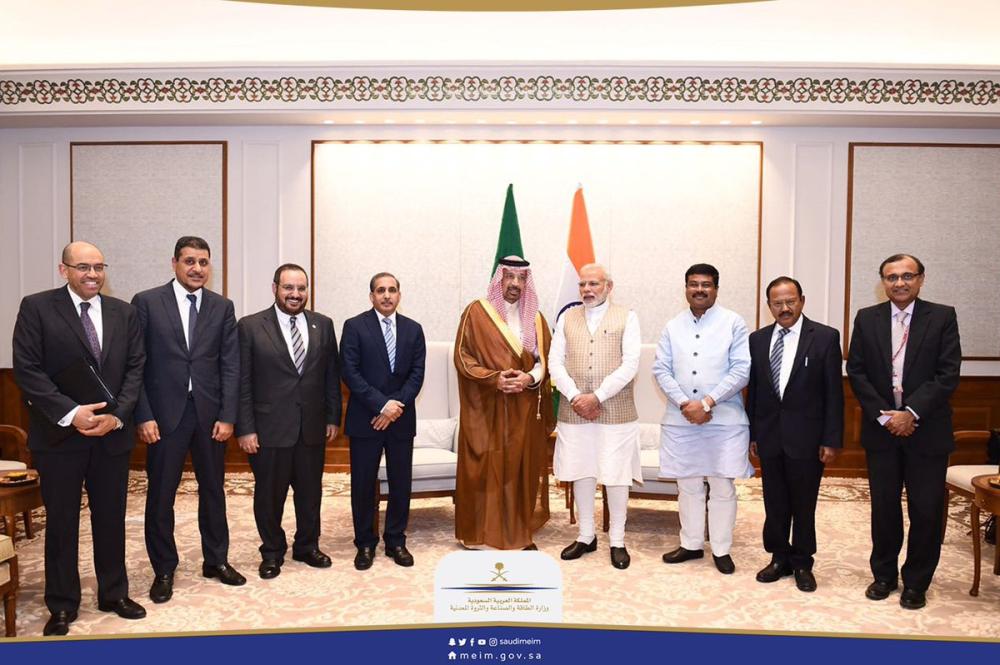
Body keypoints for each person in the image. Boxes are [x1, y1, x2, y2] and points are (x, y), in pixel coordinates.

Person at [12, 241, 146, 636]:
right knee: (62, 523)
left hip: (111, 436)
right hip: (59, 437)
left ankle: (114, 593)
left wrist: (117, 417)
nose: (93, 274)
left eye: (99, 267)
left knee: (110, 518)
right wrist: (73, 414)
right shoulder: (37, 307)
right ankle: (62, 604)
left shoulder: (125, 313)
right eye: (83, 267)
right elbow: (27, 369)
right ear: (64, 269)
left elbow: (136, 369)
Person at [132, 236, 245, 604]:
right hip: (164, 417)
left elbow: (230, 365)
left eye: (204, 262)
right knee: (161, 494)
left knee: (213, 490)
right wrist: (143, 414)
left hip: (210, 416)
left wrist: (228, 416)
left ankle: (216, 560)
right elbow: (135, 365)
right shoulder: (147, 302)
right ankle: (164, 569)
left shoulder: (222, 307)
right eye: (190, 261)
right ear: (174, 264)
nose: (197, 268)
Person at [846, 254, 960, 610]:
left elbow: (947, 373)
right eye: (892, 277)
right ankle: (883, 576)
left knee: (926, 511)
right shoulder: (867, 318)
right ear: (883, 282)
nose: (899, 283)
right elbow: (857, 371)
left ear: (921, 279)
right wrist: (886, 417)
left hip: (927, 431)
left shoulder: (942, 316)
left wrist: (910, 413)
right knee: (884, 508)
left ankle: (916, 582)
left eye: (907, 276)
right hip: (882, 431)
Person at [236, 264, 342, 579]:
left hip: (312, 427)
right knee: (269, 496)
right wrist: (245, 428)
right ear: (275, 289)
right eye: (288, 288)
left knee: (310, 494)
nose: (295, 294)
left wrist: (333, 417)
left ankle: (307, 546)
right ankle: (272, 551)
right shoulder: (250, 326)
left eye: (301, 288)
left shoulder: (323, 325)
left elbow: (331, 375)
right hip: (268, 429)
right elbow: (242, 382)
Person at [653, 263, 753, 574]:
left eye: (706, 284)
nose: (699, 289)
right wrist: (686, 404)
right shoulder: (673, 326)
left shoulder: (733, 323)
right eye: (693, 284)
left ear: (716, 289)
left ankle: (721, 549)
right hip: (681, 418)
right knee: (688, 485)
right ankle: (691, 544)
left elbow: (741, 370)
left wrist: (707, 403)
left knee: (722, 486)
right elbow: (661, 369)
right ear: (685, 288)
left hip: (724, 419)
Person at [746, 276, 843, 592]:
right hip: (770, 436)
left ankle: (802, 561)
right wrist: (753, 434)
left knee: (803, 503)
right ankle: (778, 558)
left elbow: (834, 393)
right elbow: (755, 391)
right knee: (774, 501)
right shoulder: (758, 339)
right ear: (769, 305)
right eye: (777, 303)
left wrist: (831, 439)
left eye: (790, 301)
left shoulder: (825, 337)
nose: (784, 308)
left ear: (802, 301)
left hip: (808, 438)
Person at [453, 256, 555, 550]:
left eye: (521, 278)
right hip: (487, 407)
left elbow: (545, 361)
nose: (515, 284)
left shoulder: (536, 319)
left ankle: (517, 531)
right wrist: (494, 378)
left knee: (519, 469)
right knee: (486, 468)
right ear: (499, 280)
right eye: (509, 277)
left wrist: (529, 378)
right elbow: (462, 357)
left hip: (524, 408)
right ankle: (480, 534)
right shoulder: (476, 312)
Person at [550, 264, 641, 569]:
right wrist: (576, 396)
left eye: (594, 284)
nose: (587, 290)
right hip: (574, 409)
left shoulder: (627, 316)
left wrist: (597, 396)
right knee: (581, 470)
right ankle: (586, 535)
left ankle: (617, 540)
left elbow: (630, 364)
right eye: (582, 284)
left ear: (608, 287)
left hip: (616, 411)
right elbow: (554, 362)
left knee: (616, 474)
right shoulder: (567, 317)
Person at [340, 272, 426, 570]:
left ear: (399, 295)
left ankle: (396, 541)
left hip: (401, 419)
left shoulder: (413, 329)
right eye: (380, 290)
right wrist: (381, 405)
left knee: (401, 482)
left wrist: (394, 407)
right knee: (363, 484)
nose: (386, 295)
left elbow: (417, 374)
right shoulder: (354, 326)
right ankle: (365, 543)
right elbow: (349, 372)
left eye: (392, 290)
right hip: (366, 418)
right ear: (372, 296)